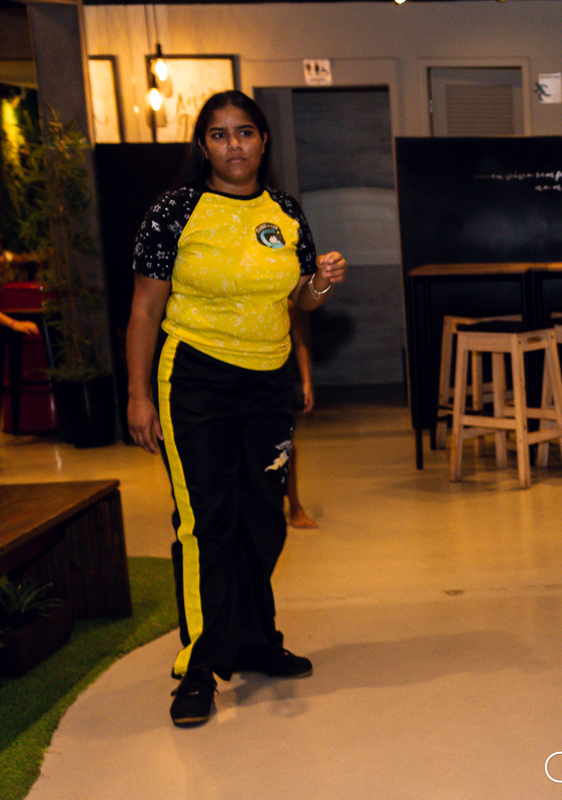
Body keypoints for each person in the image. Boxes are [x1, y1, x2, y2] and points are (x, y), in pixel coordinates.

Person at [126, 90, 347, 727]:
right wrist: (138, 395)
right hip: (195, 382)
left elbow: (301, 299)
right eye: (220, 135)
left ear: (263, 140)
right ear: (204, 146)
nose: (234, 145)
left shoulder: (285, 211)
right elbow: (144, 309)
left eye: (244, 132)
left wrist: (321, 281)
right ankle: (200, 665)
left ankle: (254, 640)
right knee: (206, 524)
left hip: (267, 384)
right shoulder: (174, 211)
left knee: (263, 519)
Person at [286, 300, 318, 529]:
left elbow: (299, 342)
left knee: (286, 446)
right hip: (240, 378)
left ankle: (295, 506)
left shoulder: (285, 303)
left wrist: (306, 382)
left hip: (277, 378)